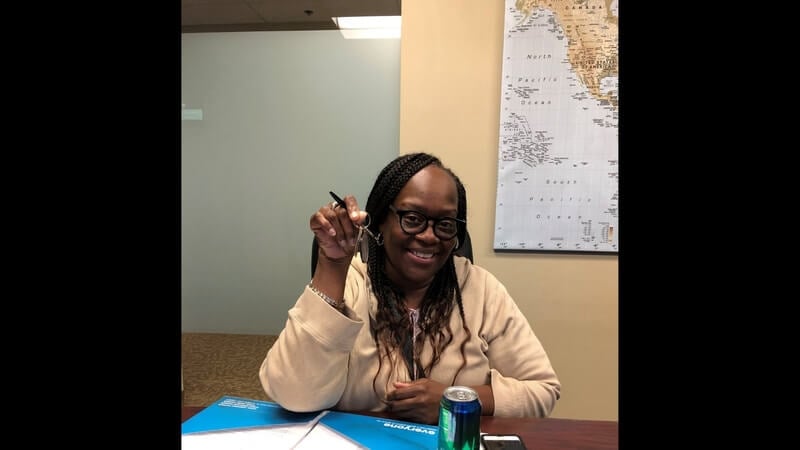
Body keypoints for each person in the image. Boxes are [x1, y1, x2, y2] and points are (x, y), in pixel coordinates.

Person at [259, 152, 560, 424]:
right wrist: (331, 267)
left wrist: (456, 400)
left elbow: (542, 390)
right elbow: (295, 395)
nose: (429, 236)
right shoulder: (348, 282)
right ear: (379, 221)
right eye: (412, 219)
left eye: (444, 224)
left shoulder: (481, 289)